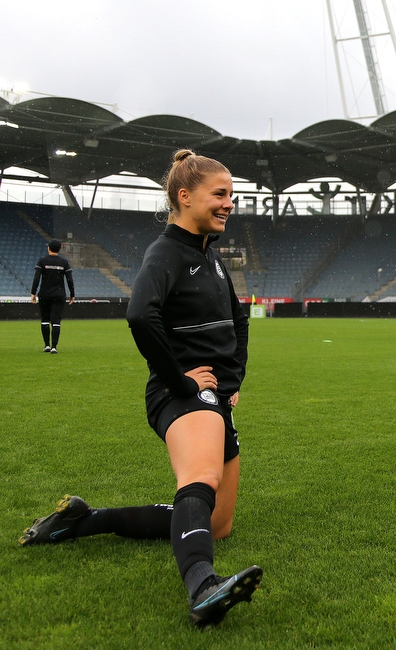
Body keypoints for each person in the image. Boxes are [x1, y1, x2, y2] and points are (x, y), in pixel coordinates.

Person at [19, 150, 262, 627]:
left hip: (213, 394)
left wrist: (233, 380)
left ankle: (87, 521)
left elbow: (237, 318)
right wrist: (180, 380)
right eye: (220, 194)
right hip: (181, 393)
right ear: (184, 196)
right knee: (201, 478)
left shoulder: (208, 257)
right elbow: (139, 314)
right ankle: (203, 587)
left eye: (231, 195)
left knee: (219, 524)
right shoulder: (166, 253)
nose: (229, 203)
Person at [30, 239, 75, 353]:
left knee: (45, 319)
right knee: (56, 320)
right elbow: (69, 280)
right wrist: (72, 294)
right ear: (59, 249)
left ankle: (47, 345)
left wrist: (33, 292)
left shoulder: (42, 261)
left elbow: (37, 278)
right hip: (59, 294)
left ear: (48, 248)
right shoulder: (64, 263)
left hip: (45, 294)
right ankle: (54, 347)